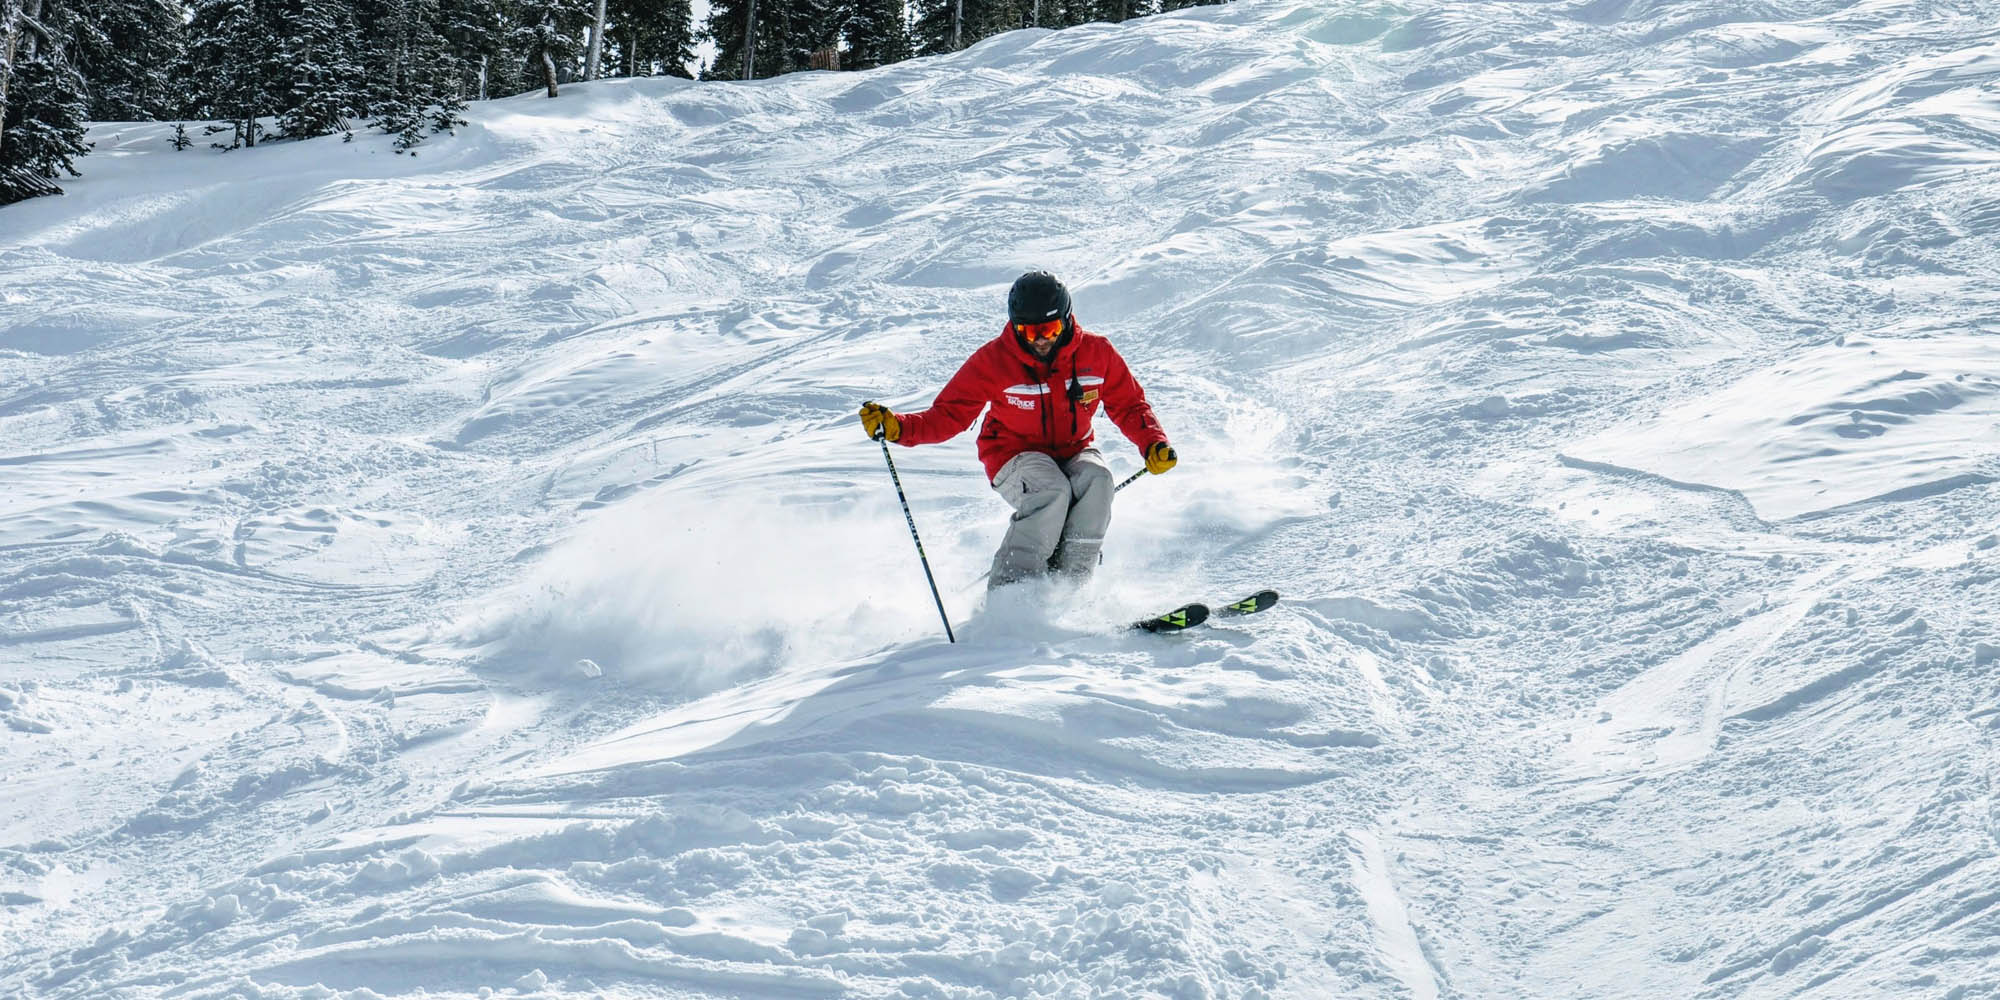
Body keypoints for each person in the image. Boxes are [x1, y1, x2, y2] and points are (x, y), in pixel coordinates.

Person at [859, 270, 1176, 590]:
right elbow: (948, 415)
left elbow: (1130, 405)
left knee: (1099, 481)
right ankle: (1011, 591)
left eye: (1049, 329)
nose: (1039, 339)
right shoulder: (994, 361)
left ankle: (1070, 587)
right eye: (1027, 331)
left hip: (1074, 449)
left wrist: (1153, 443)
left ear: (1066, 321)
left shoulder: (1097, 353)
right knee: (1052, 492)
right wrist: (897, 428)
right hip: (1012, 454)